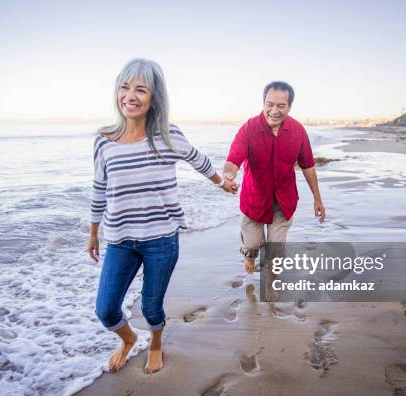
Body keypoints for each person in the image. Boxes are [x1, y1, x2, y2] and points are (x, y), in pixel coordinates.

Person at [87, 58, 235, 374]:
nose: (130, 95)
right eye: (125, 87)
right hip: (120, 240)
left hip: (161, 241)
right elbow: (99, 186)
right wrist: (92, 231)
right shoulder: (103, 139)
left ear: (154, 97)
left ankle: (155, 343)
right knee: (105, 310)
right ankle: (127, 340)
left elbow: (199, 160)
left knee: (151, 307)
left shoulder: (168, 135)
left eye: (141, 89)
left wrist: (222, 183)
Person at [223, 81, 325, 277]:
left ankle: (271, 280)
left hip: (283, 200)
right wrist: (228, 175)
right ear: (263, 103)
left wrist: (317, 198)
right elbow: (233, 160)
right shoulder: (249, 129)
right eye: (269, 104)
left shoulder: (298, 131)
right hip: (255, 200)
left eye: (281, 105)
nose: (274, 110)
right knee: (252, 245)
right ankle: (249, 256)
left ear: (289, 107)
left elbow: (308, 165)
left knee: (276, 251)